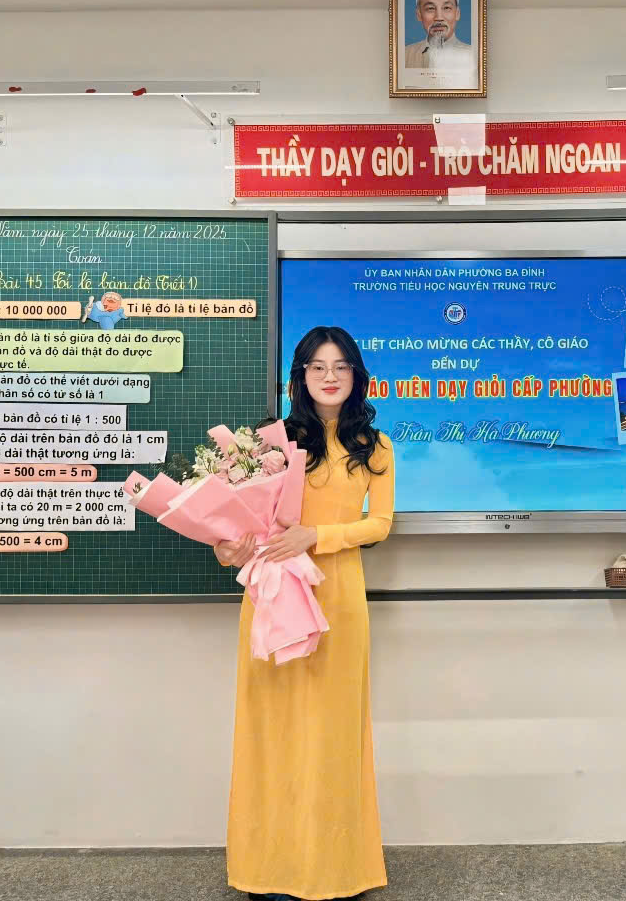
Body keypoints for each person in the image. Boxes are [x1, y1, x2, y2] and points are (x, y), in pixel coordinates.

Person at [214, 326, 395, 901]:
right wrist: (228, 549)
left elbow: (380, 524)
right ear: (300, 377)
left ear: (357, 374)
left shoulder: (377, 445)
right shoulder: (271, 444)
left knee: (335, 732)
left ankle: (338, 869)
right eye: (318, 367)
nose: (330, 377)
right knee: (273, 730)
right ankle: (268, 870)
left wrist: (318, 534)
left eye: (341, 366)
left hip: (339, 596)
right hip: (273, 595)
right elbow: (241, 527)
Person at [404, 0, 475, 74]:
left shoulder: (474, 55)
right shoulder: (404, 55)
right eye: (430, 8)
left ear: (457, 13)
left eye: (446, 8)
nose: (439, 18)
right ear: (419, 15)